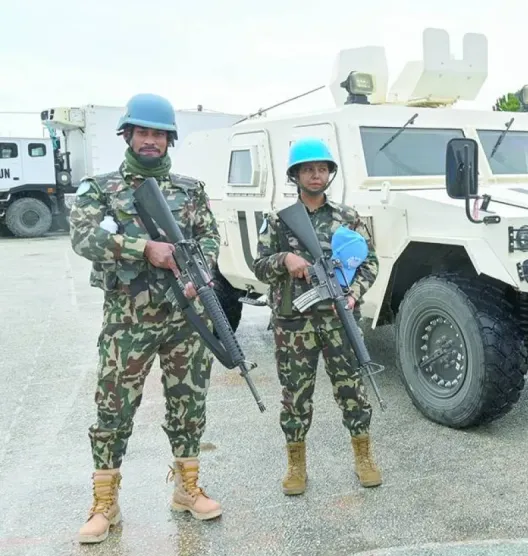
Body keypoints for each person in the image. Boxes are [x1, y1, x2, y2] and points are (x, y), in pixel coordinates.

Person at [69, 93, 223, 544]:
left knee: (188, 407)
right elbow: (82, 237)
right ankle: (105, 503)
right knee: (113, 410)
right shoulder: (100, 189)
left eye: (159, 133)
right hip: (127, 321)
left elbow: (210, 239)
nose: (151, 140)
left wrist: (201, 274)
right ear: (128, 135)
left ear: (169, 139)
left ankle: (187, 489)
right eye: (143, 132)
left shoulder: (190, 191)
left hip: (184, 319)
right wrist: (142, 249)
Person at [252, 137, 382, 495]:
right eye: (308, 169)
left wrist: (354, 294)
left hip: (339, 320)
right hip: (294, 322)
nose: (315, 175)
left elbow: (370, 262)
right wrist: (286, 260)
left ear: (329, 174)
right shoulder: (279, 222)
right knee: (295, 394)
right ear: (295, 175)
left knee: (352, 390)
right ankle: (296, 466)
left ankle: (364, 457)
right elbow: (260, 266)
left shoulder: (347, 217)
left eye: (321, 169)